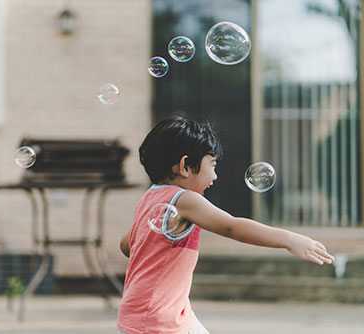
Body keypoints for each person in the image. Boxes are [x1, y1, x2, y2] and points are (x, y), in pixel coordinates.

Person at [117, 116, 334, 334]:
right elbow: (232, 227)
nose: (215, 175)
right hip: (156, 320)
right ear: (184, 166)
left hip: (151, 311)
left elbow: (127, 245)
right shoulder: (185, 200)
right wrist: (289, 239)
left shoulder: (150, 197)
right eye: (212, 164)